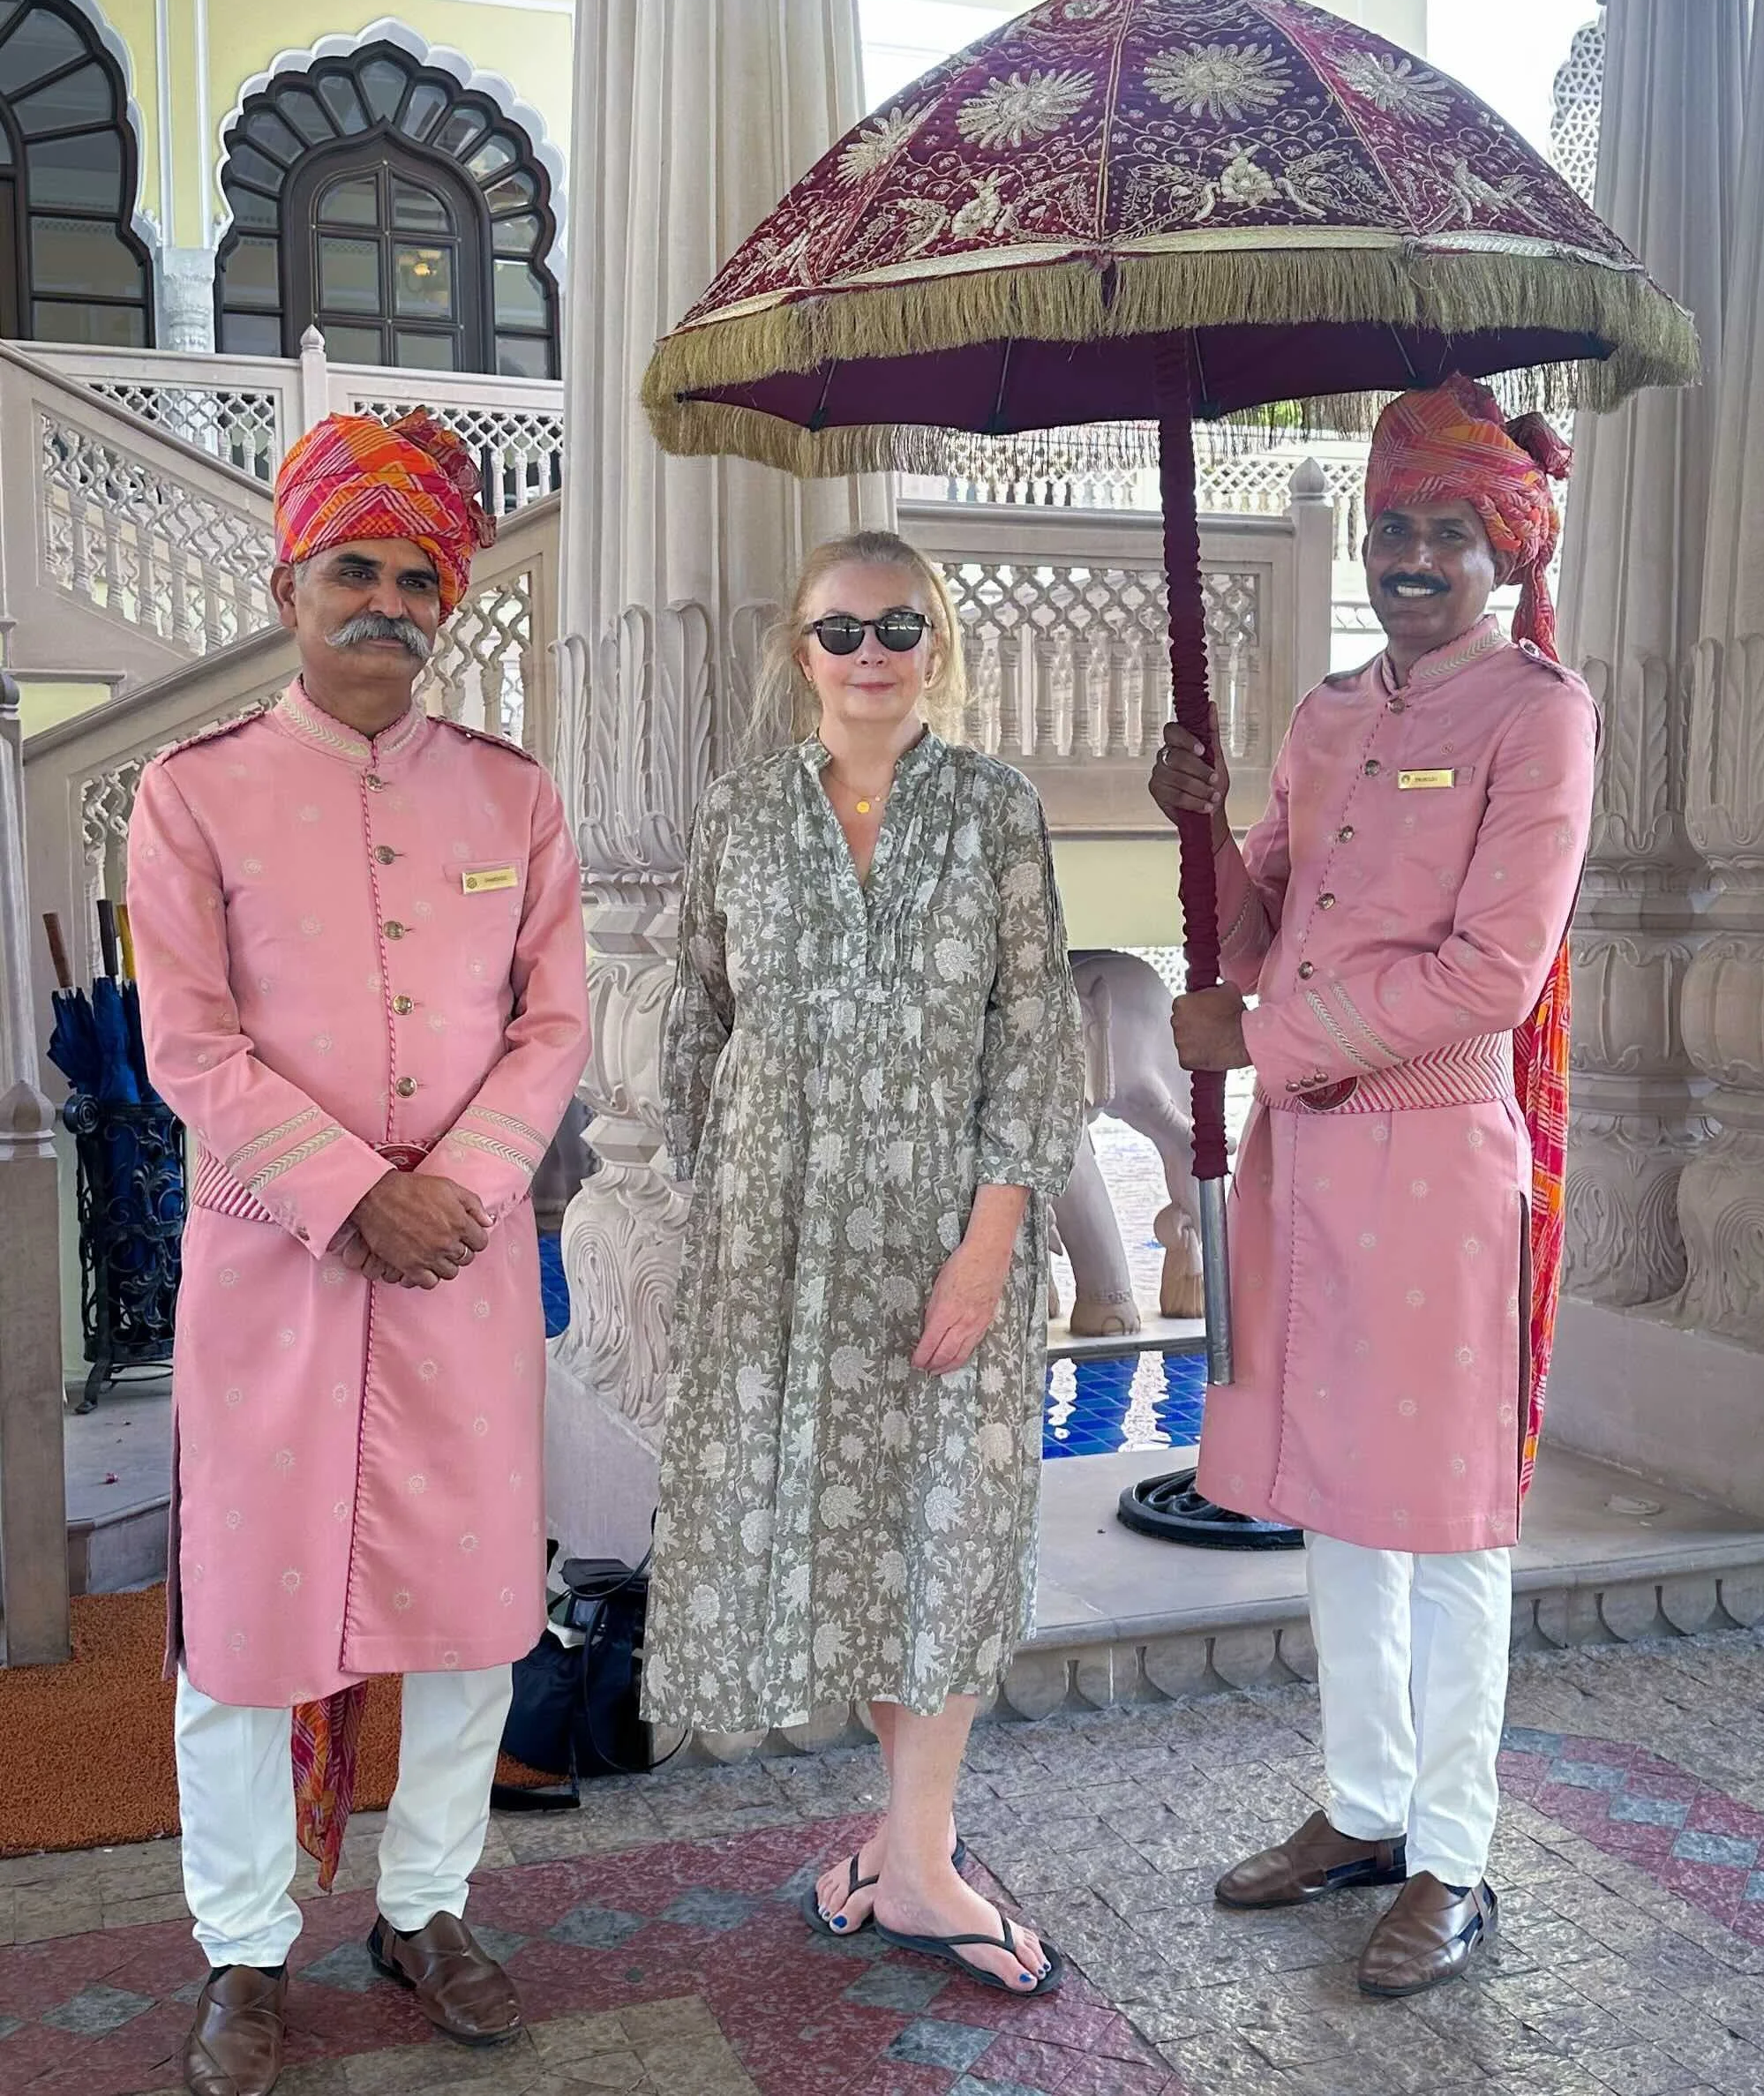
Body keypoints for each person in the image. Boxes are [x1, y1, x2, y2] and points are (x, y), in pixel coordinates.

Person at [127, 409, 590, 2096]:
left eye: (417, 577)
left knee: (472, 1618)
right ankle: (242, 1950)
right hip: (274, 1269)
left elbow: (552, 1027)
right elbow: (186, 1044)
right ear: (290, 581)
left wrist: (455, 1181)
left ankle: (428, 1902)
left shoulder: (512, 796)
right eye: (355, 569)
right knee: (247, 1629)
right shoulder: (195, 796)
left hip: (457, 1261)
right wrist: (347, 1191)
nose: (387, 603)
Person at [1150, 377, 1595, 1998]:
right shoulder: (1329, 714)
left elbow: (1492, 972)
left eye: (1446, 532)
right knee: (1339, 1489)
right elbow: (1258, 916)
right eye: (1393, 525)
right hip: (1310, 1158)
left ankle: (1452, 1852)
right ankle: (1359, 1804)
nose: (1413, 555)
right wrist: (1201, 829)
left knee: (1451, 1518)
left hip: (1433, 1150)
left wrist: (1259, 1031)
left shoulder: (1539, 715)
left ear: (1497, 550)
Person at [642, 530, 1084, 1999]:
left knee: (941, 1536)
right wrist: (734, 1209)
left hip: (948, 1245)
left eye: (898, 624)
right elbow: (700, 1021)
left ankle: (923, 1852)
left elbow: (1035, 1034)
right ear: (798, 651)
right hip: (782, 1250)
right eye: (840, 630)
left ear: (936, 644)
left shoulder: (997, 813)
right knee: (846, 1543)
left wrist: (992, 1240)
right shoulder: (738, 817)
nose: (870, 652)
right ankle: (908, 1857)